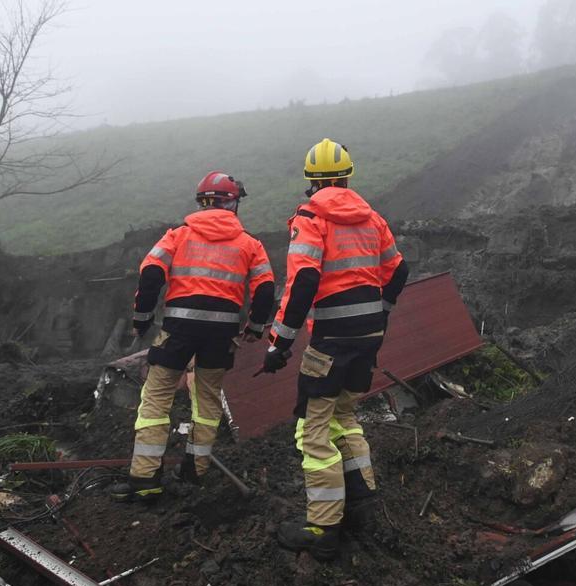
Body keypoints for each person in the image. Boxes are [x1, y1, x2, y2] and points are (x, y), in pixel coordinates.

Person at [262, 138, 409, 560]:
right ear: (347, 176)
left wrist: (279, 344)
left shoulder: (310, 218)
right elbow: (399, 270)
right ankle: (363, 500)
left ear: (311, 182)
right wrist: (380, 312)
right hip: (368, 336)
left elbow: (304, 280)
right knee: (346, 415)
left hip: (331, 339)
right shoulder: (371, 218)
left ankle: (323, 528)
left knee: (314, 429)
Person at [111, 171, 274, 502]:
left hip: (178, 331)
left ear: (202, 202)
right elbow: (266, 289)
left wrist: (141, 320)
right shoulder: (250, 244)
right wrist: (255, 327)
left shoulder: (177, 236)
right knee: (208, 400)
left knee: (156, 397)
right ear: (233, 204)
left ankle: (144, 480)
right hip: (220, 335)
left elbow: (152, 273)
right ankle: (194, 472)